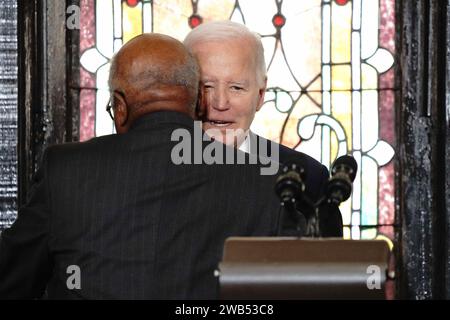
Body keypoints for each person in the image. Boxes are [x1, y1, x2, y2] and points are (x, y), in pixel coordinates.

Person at [0, 33, 282, 299]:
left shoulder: (65, 169)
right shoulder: (263, 182)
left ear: (120, 107)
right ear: (199, 102)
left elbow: (11, 281)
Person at [184, 20, 343, 237]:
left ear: (260, 95)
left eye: (237, 87)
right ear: (183, 92)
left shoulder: (310, 180)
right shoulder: (148, 172)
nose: (220, 103)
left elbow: (328, 268)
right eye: (206, 87)